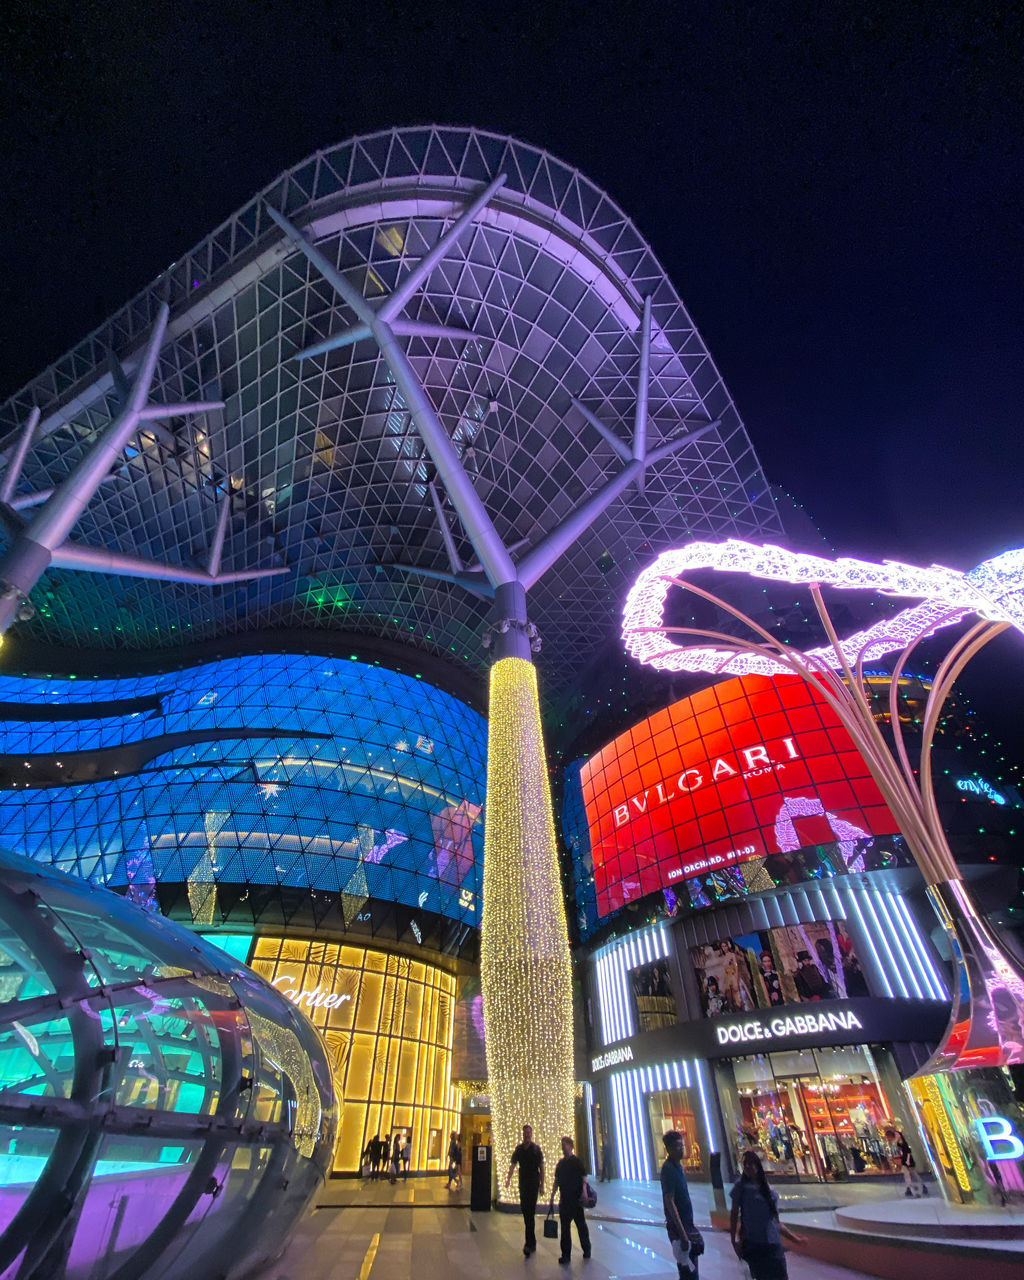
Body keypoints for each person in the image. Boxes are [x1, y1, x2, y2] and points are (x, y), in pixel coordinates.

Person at [730, 1150, 804, 1279]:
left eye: (751, 1163)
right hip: (753, 1245)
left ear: (758, 1166)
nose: (748, 1166)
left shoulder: (768, 1190)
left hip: (772, 1245)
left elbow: (776, 1222)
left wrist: (795, 1239)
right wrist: (734, 1240)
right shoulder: (740, 1187)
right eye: (745, 1164)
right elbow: (734, 1214)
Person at [660, 1130, 704, 1278]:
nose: (681, 1149)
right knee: (688, 1271)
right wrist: (682, 1234)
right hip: (680, 1229)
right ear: (669, 1149)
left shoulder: (678, 1167)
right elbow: (669, 1201)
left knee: (691, 1268)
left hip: (687, 1224)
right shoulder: (668, 1169)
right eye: (677, 1146)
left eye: (682, 1145)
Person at [549, 1136, 591, 1264]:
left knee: (581, 1226)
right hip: (565, 1201)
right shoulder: (560, 1164)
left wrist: (584, 1191)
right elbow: (557, 1181)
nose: (563, 1147)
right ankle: (566, 1255)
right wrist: (552, 1195)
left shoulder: (577, 1162)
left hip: (576, 1200)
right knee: (565, 1229)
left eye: (565, 1144)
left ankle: (587, 1249)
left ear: (571, 1146)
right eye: (562, 1145)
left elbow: (584, 1177)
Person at [506, 1123, 545, 1256]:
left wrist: (542, 1185)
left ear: (531, 1134)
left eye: (529, 1133)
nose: (527, 1135)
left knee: (530, 1213)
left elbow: (542, 1167)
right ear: (523, 1134)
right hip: (523, 1184)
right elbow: (513, 1164)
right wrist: (508, 1179)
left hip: (533, 1184)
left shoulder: (536, 1149)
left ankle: (529, 1244)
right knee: (526, 1213)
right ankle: (531, 1241)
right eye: (525, 1133)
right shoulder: (519, 1149)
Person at [884, 1127, 925, 1196]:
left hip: (907, 1160)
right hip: (905, 1160)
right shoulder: (899, 1143)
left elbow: (908, 1151)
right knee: (909, 1174)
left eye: (897, 1135)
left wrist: (908, 1160)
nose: (889, 1139)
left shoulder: (903, 1143)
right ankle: (911, 1188)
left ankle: (919, 1186)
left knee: (912, 1174)